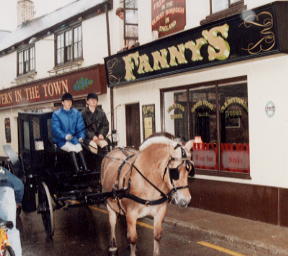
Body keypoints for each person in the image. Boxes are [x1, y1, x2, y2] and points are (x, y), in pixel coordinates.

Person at [51, 92, 88, 173]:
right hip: (62, 141)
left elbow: (80, 127)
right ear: (62, 102)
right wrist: (65, 136)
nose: (69, 103)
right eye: (67, 101)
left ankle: (85, 169)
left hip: (74, 140)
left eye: (70, 101)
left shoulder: (76, 113)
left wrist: (81, 136)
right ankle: (77, 171)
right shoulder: (56, 114)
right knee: (72, 148)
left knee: (79, 147)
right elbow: (55, 129)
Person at [0, 166, 24, 256]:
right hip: (6, 196)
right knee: (10, 229)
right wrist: (18, 201)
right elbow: (19, 185)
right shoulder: (2, 170)